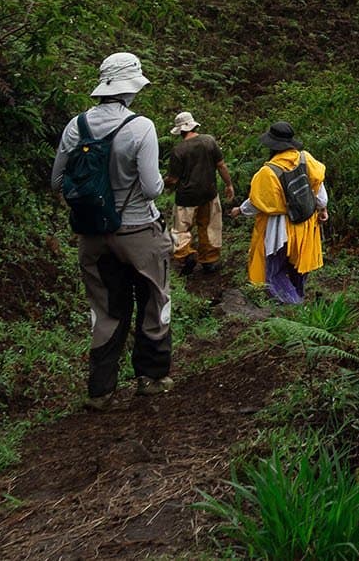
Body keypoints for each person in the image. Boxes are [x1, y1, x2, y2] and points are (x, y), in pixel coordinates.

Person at [48, 52, 172, 409]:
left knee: (105, 309)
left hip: (92, 235)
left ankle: (101, 391)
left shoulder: (76, 126)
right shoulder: (141, 126)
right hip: (139, 232)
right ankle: (151, 378)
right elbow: (151, 189)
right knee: (153, 299)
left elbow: (57, 180)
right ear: (132, 88)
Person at [237, 120, 328, 305]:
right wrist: (322, 208)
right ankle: (298, 297)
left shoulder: (268, 171)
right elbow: (319, 190)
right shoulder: (305, 159)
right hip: (306, 223)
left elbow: (256, 203)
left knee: (275, 271)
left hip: (280, 229)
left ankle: (293, 305)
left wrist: (239, 210)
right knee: (299, 267)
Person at [167, 111, 236, 274]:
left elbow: (173, 179)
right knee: (209, 227)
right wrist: (229, 184)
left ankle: (186, 255)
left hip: (186, 197)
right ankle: (209, 261)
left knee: (181, 229)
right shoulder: (209, 141)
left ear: (180, 131)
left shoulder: (178, 150)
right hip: (209, 193)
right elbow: (221, 165)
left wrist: (161, 183)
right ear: (194, 125)